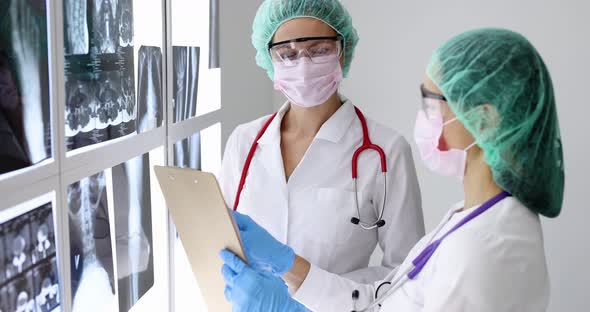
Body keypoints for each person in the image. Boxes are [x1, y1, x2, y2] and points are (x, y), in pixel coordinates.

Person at [220, 28, 564, 311]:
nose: (424, 116)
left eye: (432, 101)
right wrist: (288, 265)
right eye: (288, 52)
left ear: (484, 119)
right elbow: (383, 300)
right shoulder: (469, 218)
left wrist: (288, 308)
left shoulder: (487, 250)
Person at [218, 0, 424, 288]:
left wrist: (312, 300)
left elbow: (405, 273)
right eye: (287, 54)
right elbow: (221, 242)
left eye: (318, 51)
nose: (303, 66)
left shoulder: (386, 151)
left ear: (343, 51)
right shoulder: (245, 141)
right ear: (270, 60)